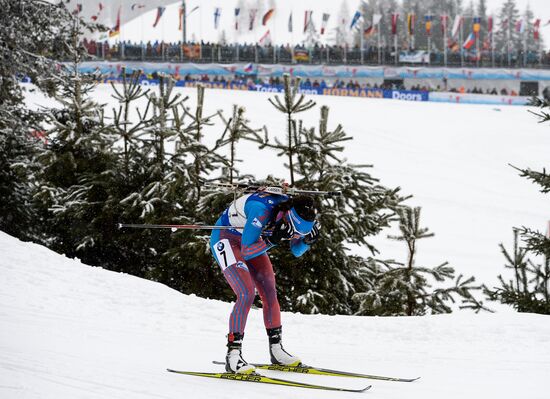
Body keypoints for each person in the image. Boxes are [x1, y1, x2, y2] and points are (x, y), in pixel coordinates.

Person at [210, 191, 320, 374]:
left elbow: (296, 250)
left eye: (301, 232)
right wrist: (272, 240)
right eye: (296, 231)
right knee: (246, 292)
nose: (296, 235)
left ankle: (276, 351)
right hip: (226, 238)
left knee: (270, 291)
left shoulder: (296, 214)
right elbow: (246, 251)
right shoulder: (260, 210)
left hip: (251, 240)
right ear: (287, 215)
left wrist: (307, 242)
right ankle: (233, 355)